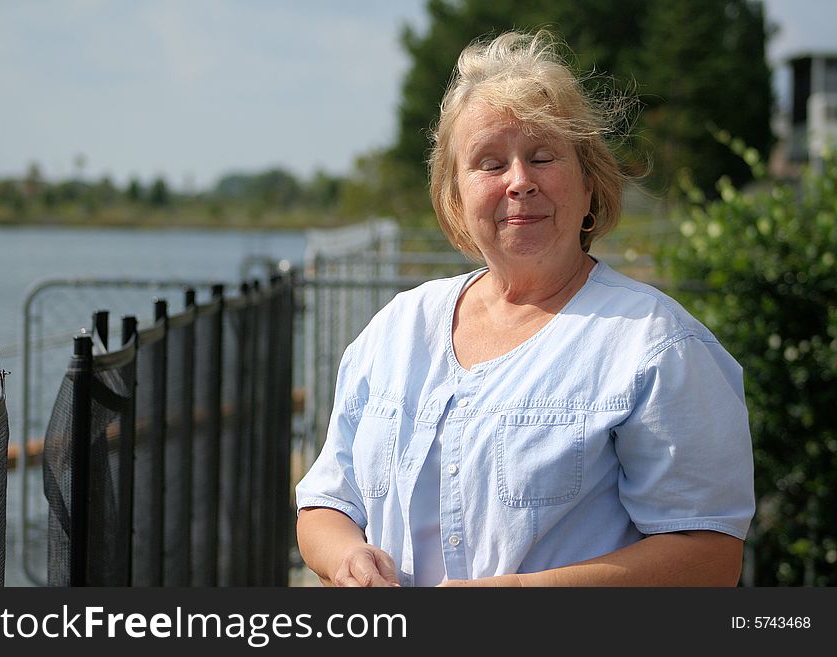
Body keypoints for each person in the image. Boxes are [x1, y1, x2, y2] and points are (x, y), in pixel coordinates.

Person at [294, 29, 755, 587]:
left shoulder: (657, 347)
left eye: (542, 157)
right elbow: (325, 504)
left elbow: (707, 558)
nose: (519, 182)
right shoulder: (397, 328)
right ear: (455, 196)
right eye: (489, 164)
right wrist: (346, 558)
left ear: (589, 184)